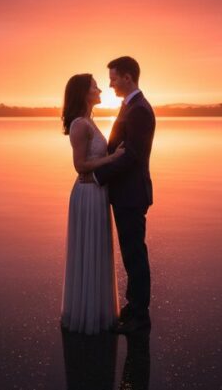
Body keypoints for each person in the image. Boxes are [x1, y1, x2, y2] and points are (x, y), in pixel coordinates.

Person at [88, 56, 156, 334]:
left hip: (131, 193)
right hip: (125, 192)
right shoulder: (129, 106)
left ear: (128, 77)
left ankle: (140, 317)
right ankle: (134, 307)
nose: (111, 84)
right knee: (131, 253)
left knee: (135, 254)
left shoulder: (138, 110)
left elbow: (132, 157)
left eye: (114, 78)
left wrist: (96, 176)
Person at [60, 73, 125, 334]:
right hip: (87, 194)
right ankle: (86, 316)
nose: (100, 89)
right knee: (88, 250)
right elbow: (79, 166)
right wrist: (113, 159)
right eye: (94, 86)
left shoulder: (90, 121)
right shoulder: (79, 125)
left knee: (97, 250)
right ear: (84, 93)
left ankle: (97, 310)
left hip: (97, 193)